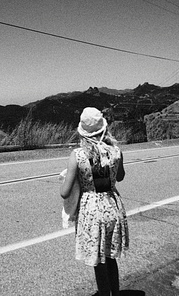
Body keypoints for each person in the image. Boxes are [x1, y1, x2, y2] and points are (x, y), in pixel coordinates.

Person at [60, 107, 129, 296]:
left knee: (98, 261)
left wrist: (68, 180)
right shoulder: (116, 151)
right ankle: (115, 292)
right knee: (110, 256)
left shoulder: (78, 155)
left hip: (91, 211)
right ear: (103, 129)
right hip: (113, 206)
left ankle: (104, 293)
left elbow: (65, 193)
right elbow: (120, 177)